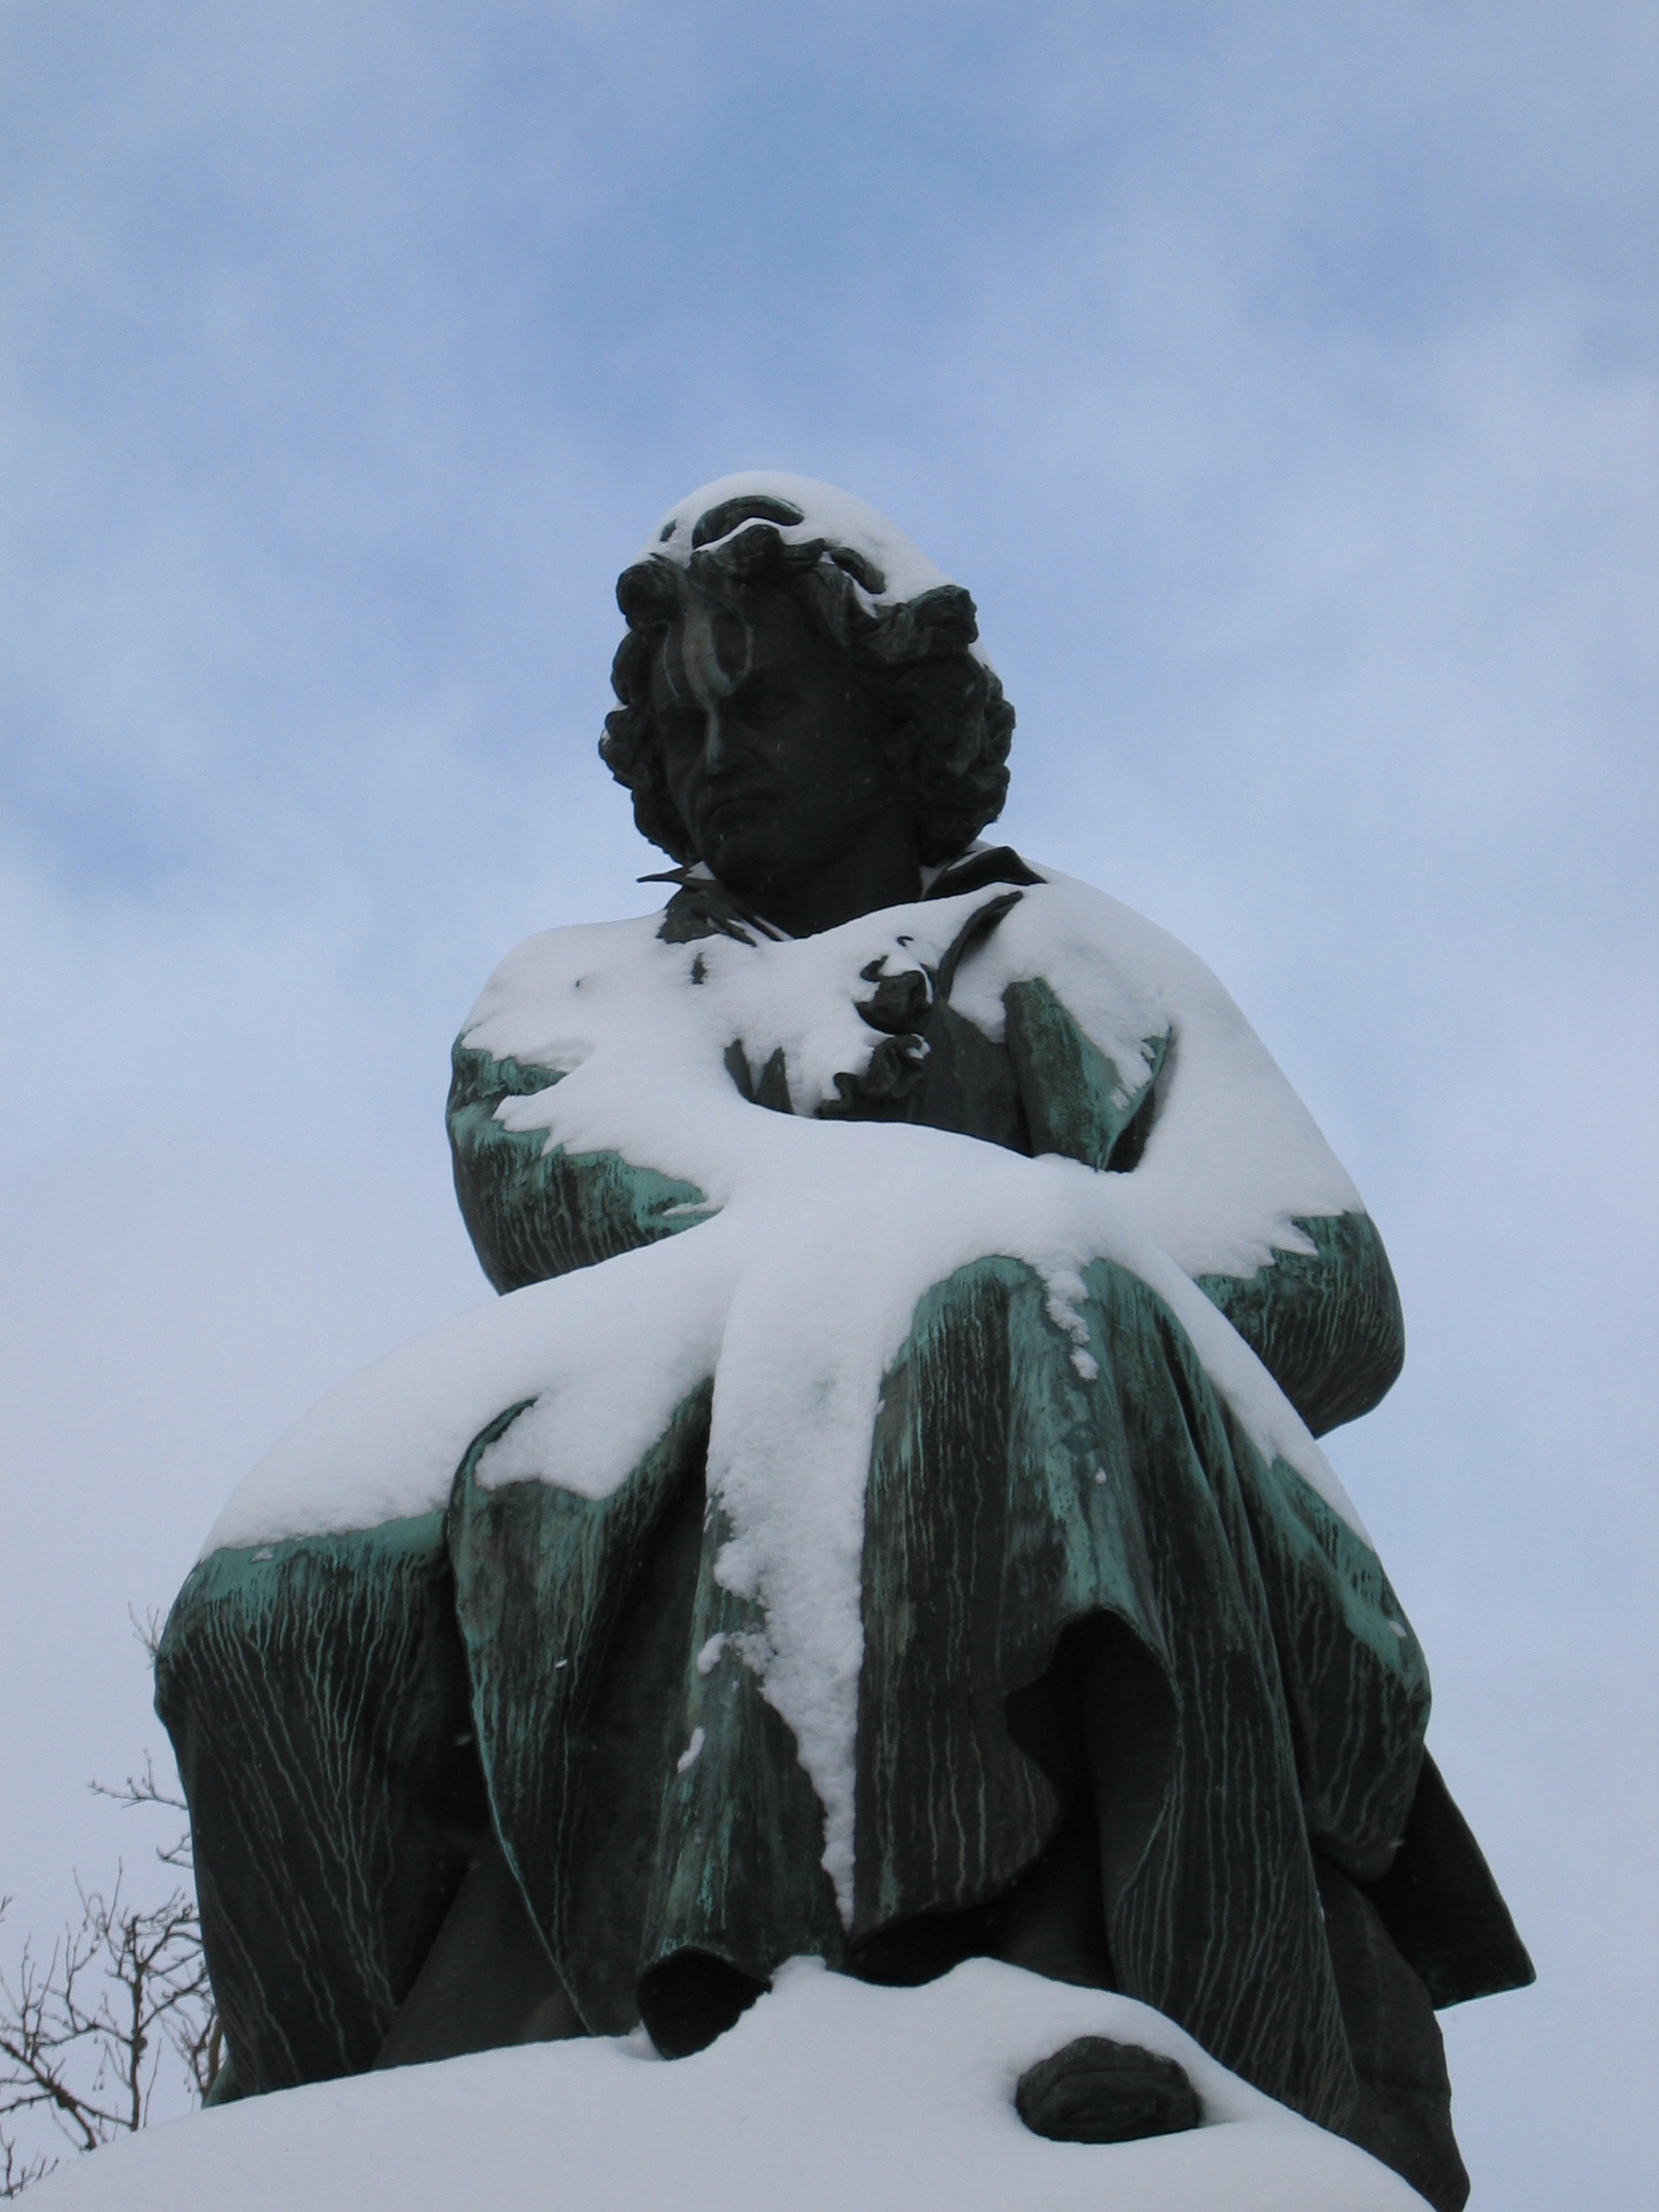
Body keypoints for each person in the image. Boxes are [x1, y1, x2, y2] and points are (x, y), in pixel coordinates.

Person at [158, 475, 1530, 2211]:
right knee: (270, 1596)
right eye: (684, 723)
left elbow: (1326, 1286)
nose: (716, 755)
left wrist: (1051, 1273)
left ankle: (933, 2005)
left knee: (975, 1301)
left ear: (898, 722)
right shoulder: (581, 984)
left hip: (1078, 1429)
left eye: (766, 705)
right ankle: (330, 2140)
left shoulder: (1072, 959)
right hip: (634, 1421)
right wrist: (901, 1203)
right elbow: (581, 1195)